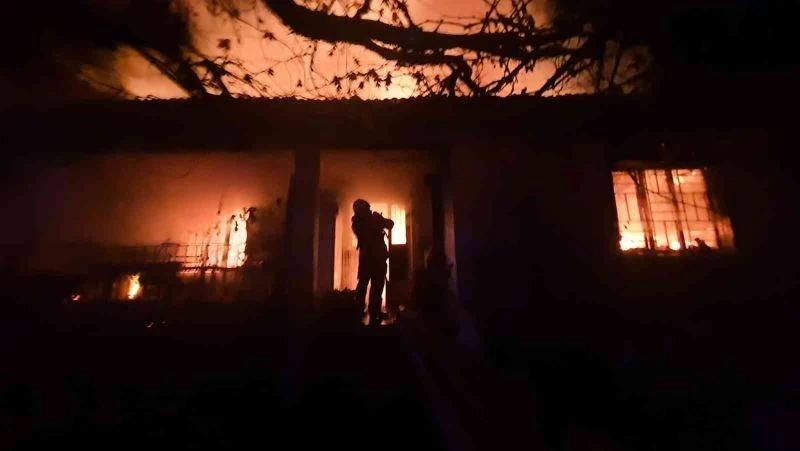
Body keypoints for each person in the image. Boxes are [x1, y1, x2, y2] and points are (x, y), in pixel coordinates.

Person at [351, 199, 394, 326]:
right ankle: (361, 312)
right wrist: (376, 220)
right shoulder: (358, 221)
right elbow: (363, 233)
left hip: (374, 259)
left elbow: (390, 224)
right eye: (367, 209)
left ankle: (373, 312)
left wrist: (379, 220)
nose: (369, 211)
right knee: (365, 285)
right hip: (370, 259)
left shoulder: (366, 220)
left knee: (375, 286)